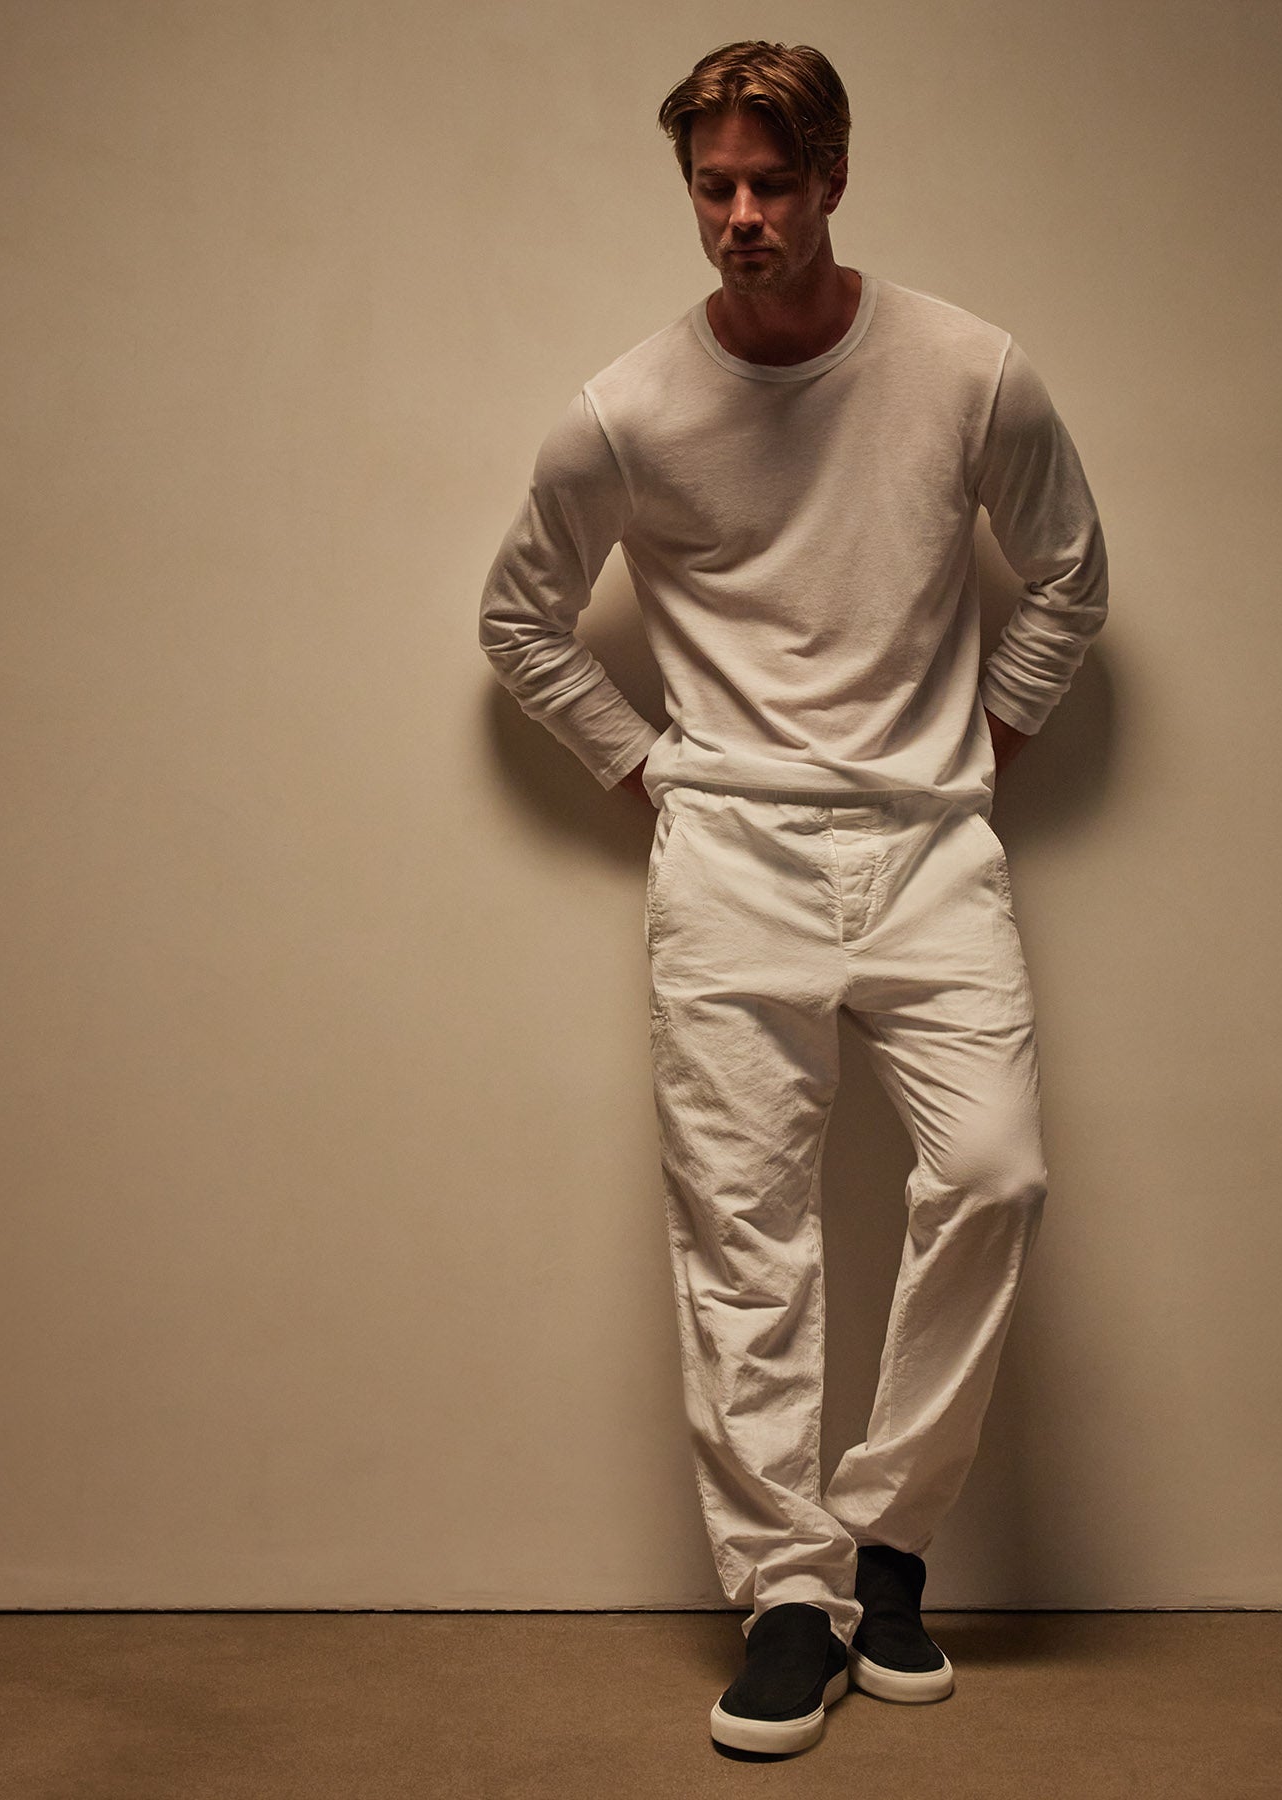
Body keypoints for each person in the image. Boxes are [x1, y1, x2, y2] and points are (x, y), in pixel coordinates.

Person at [480, 40, 1108, 1757]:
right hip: (730, 865)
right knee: (744, 1237)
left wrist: (984, 740)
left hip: (930, 853)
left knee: (995, 1173)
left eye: (773, 183)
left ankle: (887, 1546)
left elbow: (1067, 571)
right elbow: (520, 618)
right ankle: (784, 1596)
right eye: (715, 187)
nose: (742, 216)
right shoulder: (627, 409)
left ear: (834, 178)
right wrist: (650, 773)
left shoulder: (969, 372)